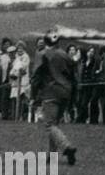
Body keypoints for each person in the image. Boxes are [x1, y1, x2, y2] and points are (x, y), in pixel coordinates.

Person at [29, 30, 78, 163]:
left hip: (50, 92)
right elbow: (74, 77)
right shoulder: (65, 55)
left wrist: (33, 96)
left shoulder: (42, 54)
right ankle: (52, 156)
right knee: (54, 124)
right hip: (66, 93)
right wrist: (73, 97)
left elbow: (35, 77)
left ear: (45, 41)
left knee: (49, 124)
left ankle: (67, 147)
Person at [8, 41, 31, 121]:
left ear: (24, 49)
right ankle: (14, 115)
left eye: (21, 49)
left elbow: (23, 67)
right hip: (15, 81)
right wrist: (12, 74)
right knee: (14, 98)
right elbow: (13, 67)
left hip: (23, 80)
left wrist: (17, 73)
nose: (19, 51)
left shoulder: (26, 57)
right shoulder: (16, 57)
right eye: (18, 49)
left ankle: (21, 116)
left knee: (22, 98)